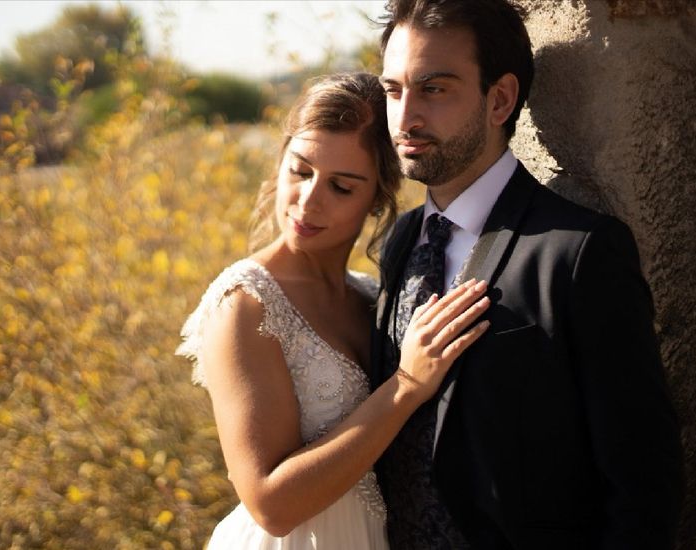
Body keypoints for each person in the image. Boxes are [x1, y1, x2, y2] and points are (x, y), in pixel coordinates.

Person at [369, 1, 685, 548]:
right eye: (394, 90)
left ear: (500, 99)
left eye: (434, 89)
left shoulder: (580, 251)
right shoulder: (401, 239)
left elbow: (643, 484)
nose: (405, 118)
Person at [177, 72, 492, 548]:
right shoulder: (245, 303)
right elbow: (271, 506)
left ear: (376, 201)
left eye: (341, 187)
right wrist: (406, 387)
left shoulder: (371, 297)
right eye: (300, 171)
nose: (308, 201)